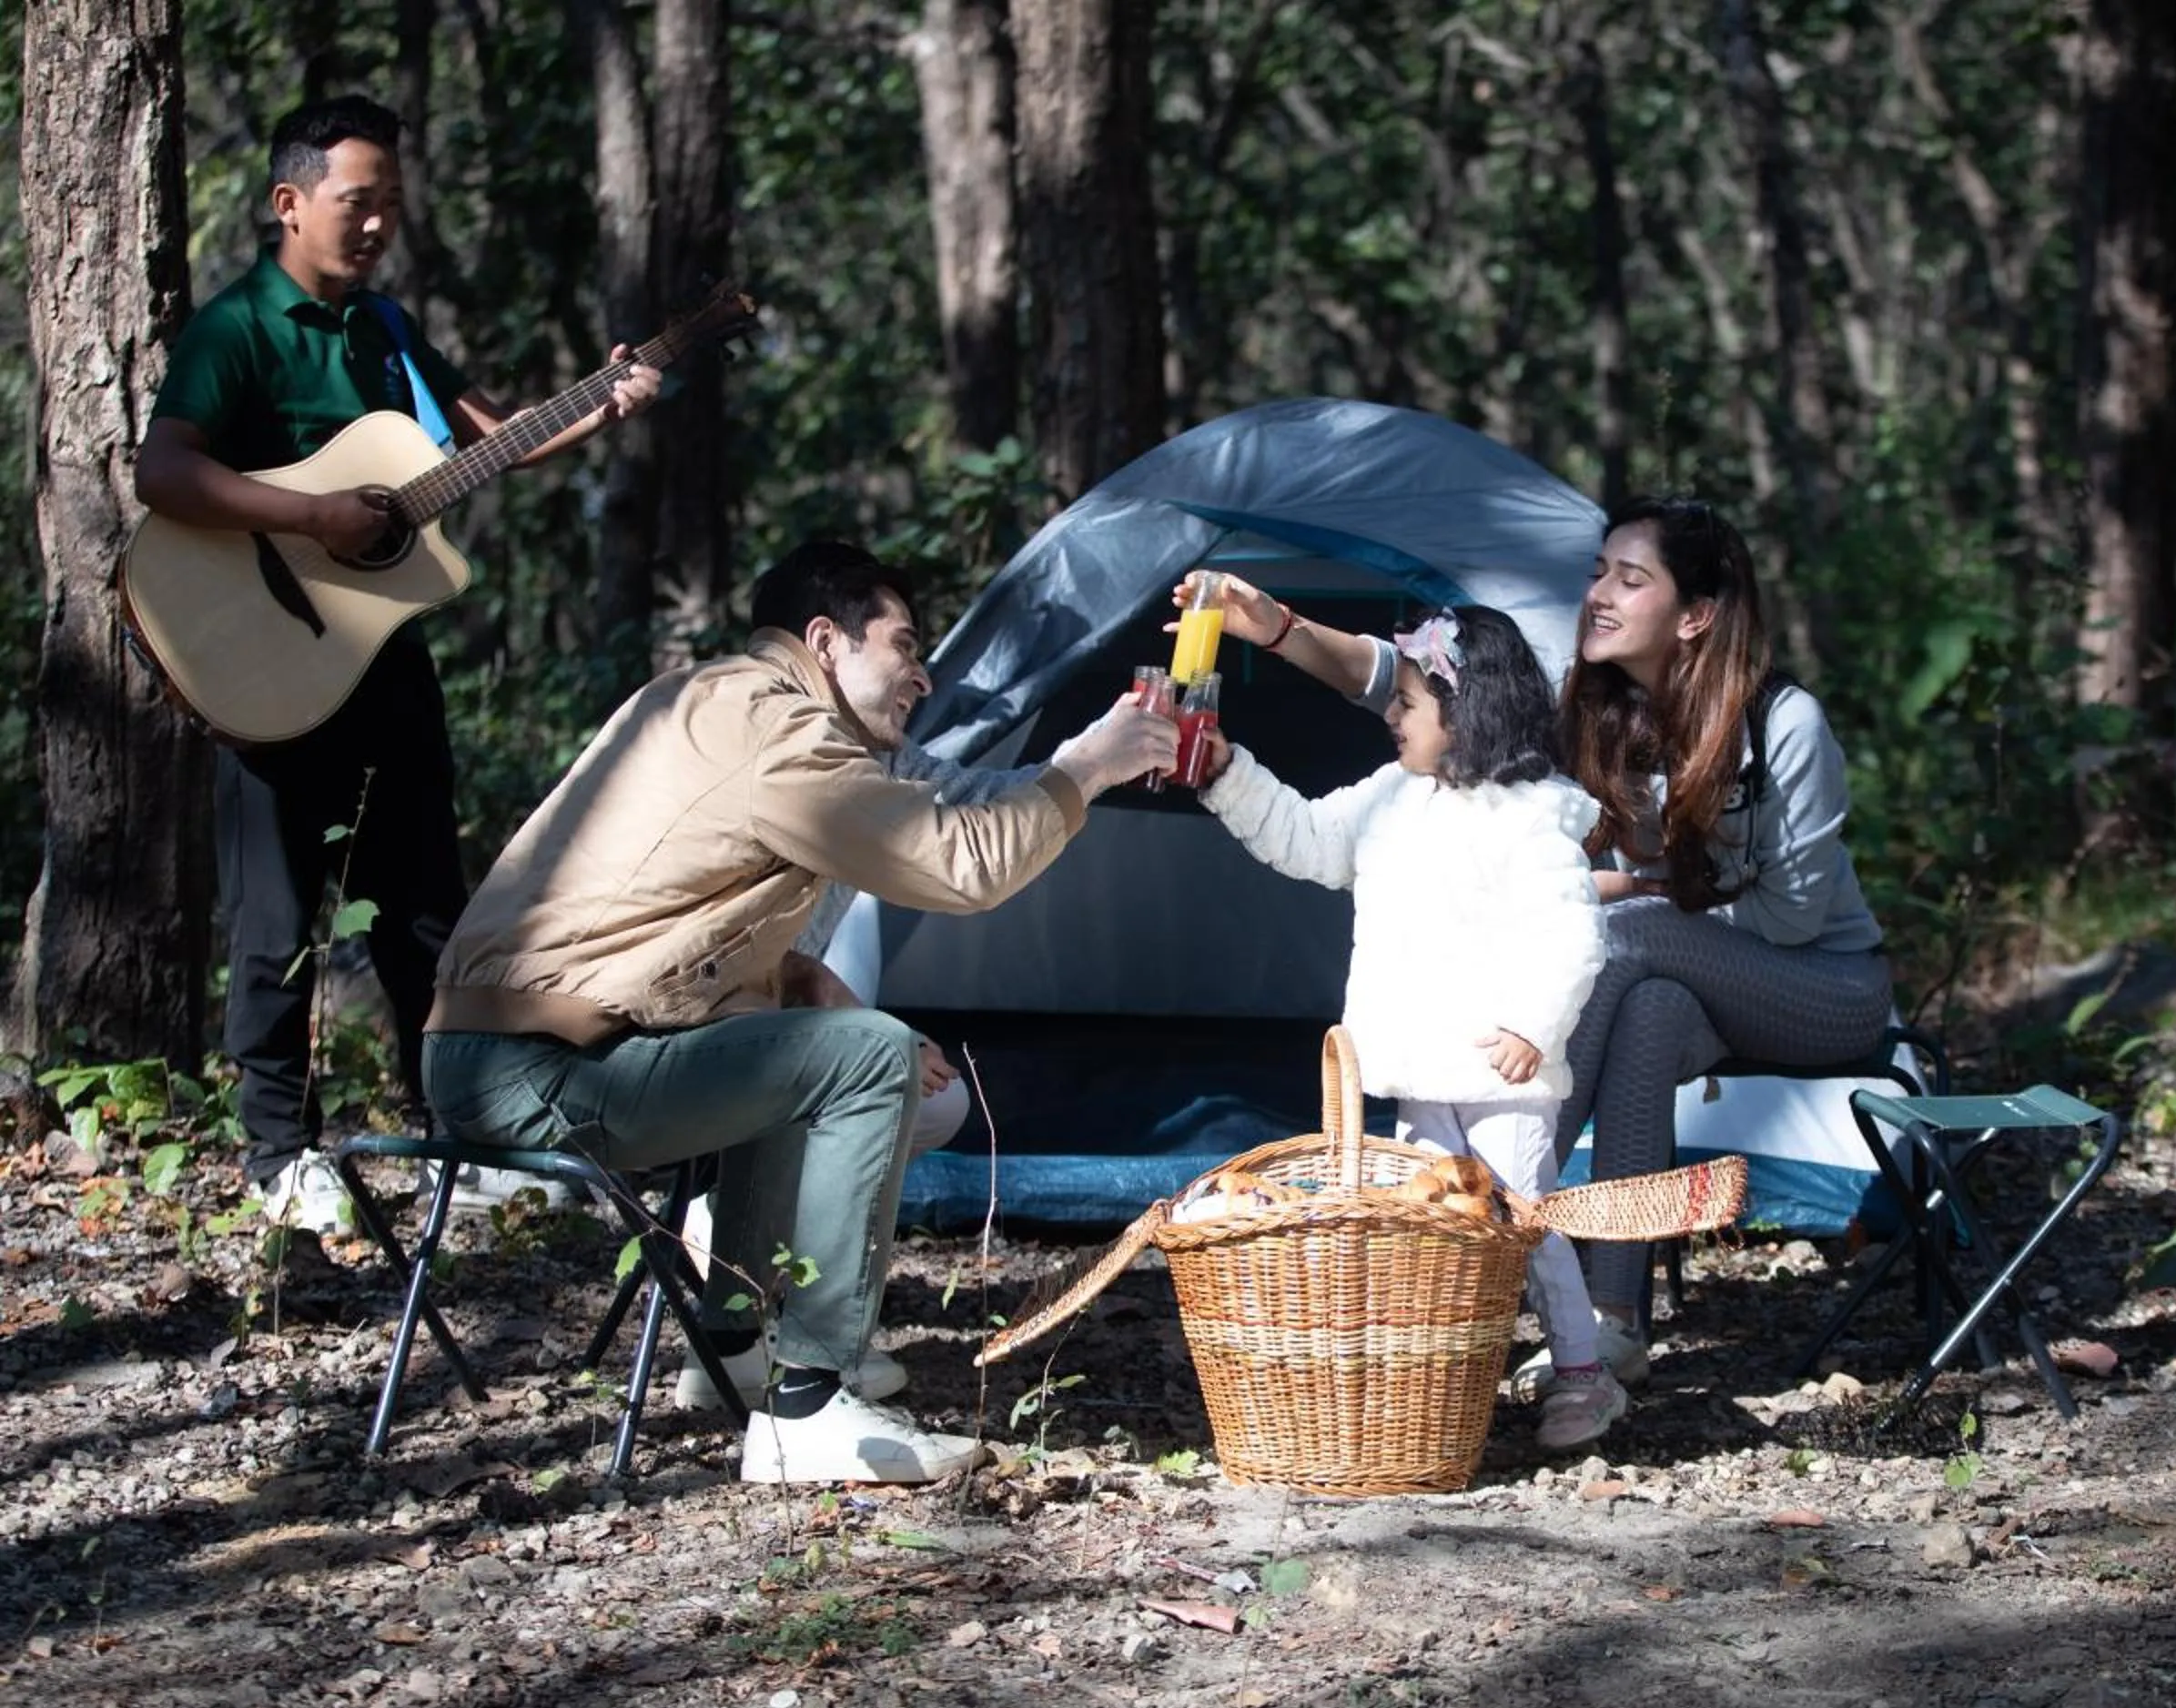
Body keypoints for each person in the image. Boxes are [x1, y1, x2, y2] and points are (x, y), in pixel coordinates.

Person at [423, 540, 1175, 1485]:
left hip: (500, 1044)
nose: (921, 672)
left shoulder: (702, 699)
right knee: (870, 1055)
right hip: (550, 1061)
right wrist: (1084, 768)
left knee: (802, 1048)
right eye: (903, 644)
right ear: (825, 639)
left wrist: (791, 974)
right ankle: (810, 1403)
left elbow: (654, 902)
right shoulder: (775, 725)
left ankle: (732, 1344)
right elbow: (958, 862)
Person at [1184, 495, 1894, 1390]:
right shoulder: (1600, 704)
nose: (1599, 591)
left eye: (1631, 579)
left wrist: (1634, 889)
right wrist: (1276, 626)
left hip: (1821, 986)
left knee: (1616, 938)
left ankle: (1490, 1221)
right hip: (1688, 981)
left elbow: (1788, 920)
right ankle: (1611, 1319)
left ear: (1697, 614)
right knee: (1648, 1010)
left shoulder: (1785, 726)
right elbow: (1420, 688)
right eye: (1599, 569)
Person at [133, 95, 662, 1236]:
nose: (376, 224)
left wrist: (605, 402)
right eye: (354, 201)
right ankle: (279, 1155)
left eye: (390, 205)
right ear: (289, 203)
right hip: (262, 661)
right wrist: (314, 512)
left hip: (381, 658)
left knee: (424, 907)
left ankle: (458, 1140)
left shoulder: (383, 325)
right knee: (277, 919)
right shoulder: (241, 329)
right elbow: (163, 475)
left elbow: (491, 434)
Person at [1182, 599, 1625, 1450]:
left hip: (1502, 1077)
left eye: (1410, 701)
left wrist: (1533, 1024)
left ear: (1464, 717)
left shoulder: (1532, 816)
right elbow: (1306, 839)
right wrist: (1224, 771)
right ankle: (1443, 1372)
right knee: (1431, 1233)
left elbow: (1573, 933)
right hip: (1421, 1073)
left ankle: (1583, 1372)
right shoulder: (1394, 797)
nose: (1392, 712)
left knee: (1521, 1221)